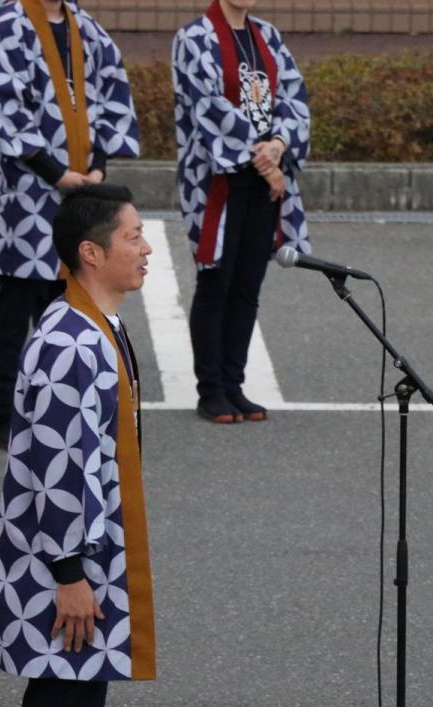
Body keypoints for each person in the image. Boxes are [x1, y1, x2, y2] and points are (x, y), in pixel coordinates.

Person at [0, 183, 155, 707]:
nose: (146, 249)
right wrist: (69, 575)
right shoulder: (70, 342)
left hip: (82, 556)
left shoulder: (93, 325)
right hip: (66, 566)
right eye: (133, 236)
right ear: (91, 252)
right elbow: (56, 467)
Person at [0, 0, 139, 448]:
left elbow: (111, 90)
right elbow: (4, 103)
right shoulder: (8, 23)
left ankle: (69, 406)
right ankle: (5, 414)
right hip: (28, 191)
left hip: (82, 189)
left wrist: (98, 165)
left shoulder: (83, 26)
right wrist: (54, 172)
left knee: (72, 303)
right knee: (15, 303)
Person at [173, 0, 310, 423]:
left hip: (263, 178)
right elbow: (208, 108)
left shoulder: (267, 36)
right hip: (218, 179)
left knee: (248, 285)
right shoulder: (193, 38)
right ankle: (210, 389)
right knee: (216, 280)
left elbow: (293, 97)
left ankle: (234, 383)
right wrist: (266, 160)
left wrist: (279, 146)